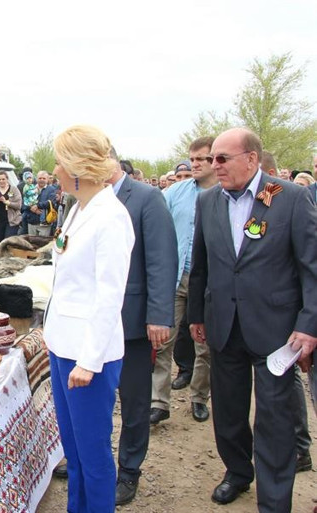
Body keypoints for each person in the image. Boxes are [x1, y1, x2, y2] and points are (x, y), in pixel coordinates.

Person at [188, 128, 317, 511]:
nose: (215, 166)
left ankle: (274, 502)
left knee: (275, 421)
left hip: (276, 330)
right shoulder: (208, 201)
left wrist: (309, 323)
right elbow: (201, 265)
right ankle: (238, 472)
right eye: (212, 159)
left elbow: (311, 268)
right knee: (228, 412)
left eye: (222, 159)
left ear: (251, 159)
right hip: (224, 323)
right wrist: (197, 313)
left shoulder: (290, 198)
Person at [45, 125, 135, 512]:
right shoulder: (79, 208)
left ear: (78, 167)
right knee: (75, 452)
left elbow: (109, 295)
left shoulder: (111, 216)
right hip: (63, 343)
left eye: (60, 161)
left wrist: (89, 360)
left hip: (87, 357)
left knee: (94, 456)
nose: (54, 170)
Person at [107, 150, 177, 506]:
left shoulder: (147, 198)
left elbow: (162, 260)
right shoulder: (86, 200)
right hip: (95, 323)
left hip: (132, 322)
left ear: (110, 160)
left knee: (134, 403)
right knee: (96, 399)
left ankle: (129, 470)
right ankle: (96, 461)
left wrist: (160, 315)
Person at [151, 137, 218, 426]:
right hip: (176, 277)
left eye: (202, 159)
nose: (195, 164)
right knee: (162, 338)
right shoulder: (174, 193)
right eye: (192, 159)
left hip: (211, 282)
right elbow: (156, 227)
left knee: (205, 344)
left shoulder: (227, 194)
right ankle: (158, 402)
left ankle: (199, 397)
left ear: (216, 160)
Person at [0, 170, 22, 249]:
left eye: (3, 179)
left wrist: (7, 202)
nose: (1, 181)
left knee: (9, 243)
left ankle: (8, 260)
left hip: (11, 222)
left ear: (7, 179)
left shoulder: (14, 190)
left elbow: (19, 205)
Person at [29, 170, 57, 236]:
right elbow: (24, 203)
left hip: (45, 224)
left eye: (44, 178)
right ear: (36, 179)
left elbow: (52, 202)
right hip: (32, 222)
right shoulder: (30, 189)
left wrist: (37, 206)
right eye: (40, 178)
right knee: (32, 244)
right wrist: (31, 208)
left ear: (47, 180)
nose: (42, 180)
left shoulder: (51, 189)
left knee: (43, 244)